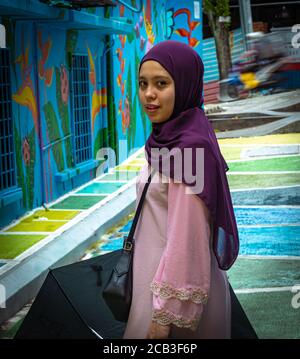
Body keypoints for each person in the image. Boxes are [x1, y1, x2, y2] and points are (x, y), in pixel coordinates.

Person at [123, 40, 239, 339]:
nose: (149, 94)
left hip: (174, 301)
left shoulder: (189, 149)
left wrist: (164, 316)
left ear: (185, 85)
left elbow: (188, 242)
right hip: (155, 285)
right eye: (143, 83)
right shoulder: (168, 140)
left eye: (161, 83)